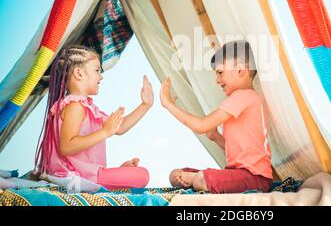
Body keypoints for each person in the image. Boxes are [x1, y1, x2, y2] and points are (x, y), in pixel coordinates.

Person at [161, 40, 273, 194]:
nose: (217, 80)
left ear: (240, 70)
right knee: (176, 174)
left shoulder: (244, 96)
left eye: (220, 72)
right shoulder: (240, 99)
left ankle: (198, 180)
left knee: (201, 178)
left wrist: (168, 104)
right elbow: (239, 150)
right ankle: (196, 179)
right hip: (238, 174)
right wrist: (214, 136)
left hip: (256, 178)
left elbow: (201, 126)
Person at [35, 45, 152, 190]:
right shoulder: (74, 106)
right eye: (97, 70)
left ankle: (108, 178)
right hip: (76, 176)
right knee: (142, 175)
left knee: (136, 174)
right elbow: (67, 146)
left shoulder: (85, 106)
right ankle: (94, 182)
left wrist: (145, 105)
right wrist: (104, 132)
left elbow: (119, 128)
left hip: (87, 174)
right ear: (79, 73)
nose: (101, 76)